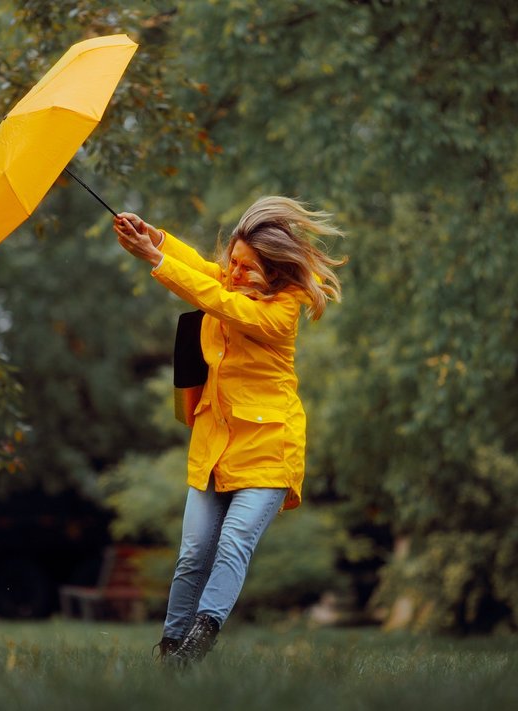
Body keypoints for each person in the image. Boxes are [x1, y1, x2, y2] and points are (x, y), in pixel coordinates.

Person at [112, 196, 347, 667]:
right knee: (193, 553)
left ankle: (203, 634)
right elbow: (199, 269)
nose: (232, 273)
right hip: (215, 443)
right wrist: (154, 236)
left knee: (234, 542)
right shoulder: (231, 280)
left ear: (273, 272)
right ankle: (171, 650)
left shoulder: (279, 312)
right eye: (232, 263)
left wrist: (155, 261)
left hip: (267, 447)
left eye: (245, 268)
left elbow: (213, 299)